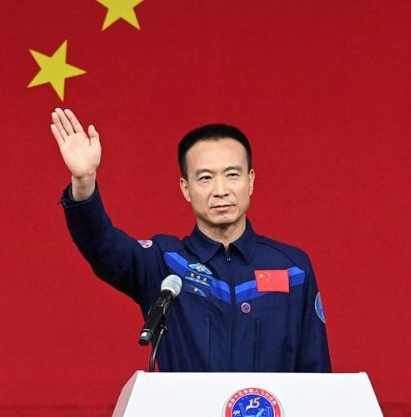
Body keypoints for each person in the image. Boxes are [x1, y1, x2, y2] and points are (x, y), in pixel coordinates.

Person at [50, 108, 330, 372]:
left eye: (232, 175)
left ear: (251, 180)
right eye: (205, 178)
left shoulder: (292, 268)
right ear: (186, 188)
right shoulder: (165, 262)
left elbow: (316, 370)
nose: (221, 190)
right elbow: (103, 246)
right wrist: (84, 182)